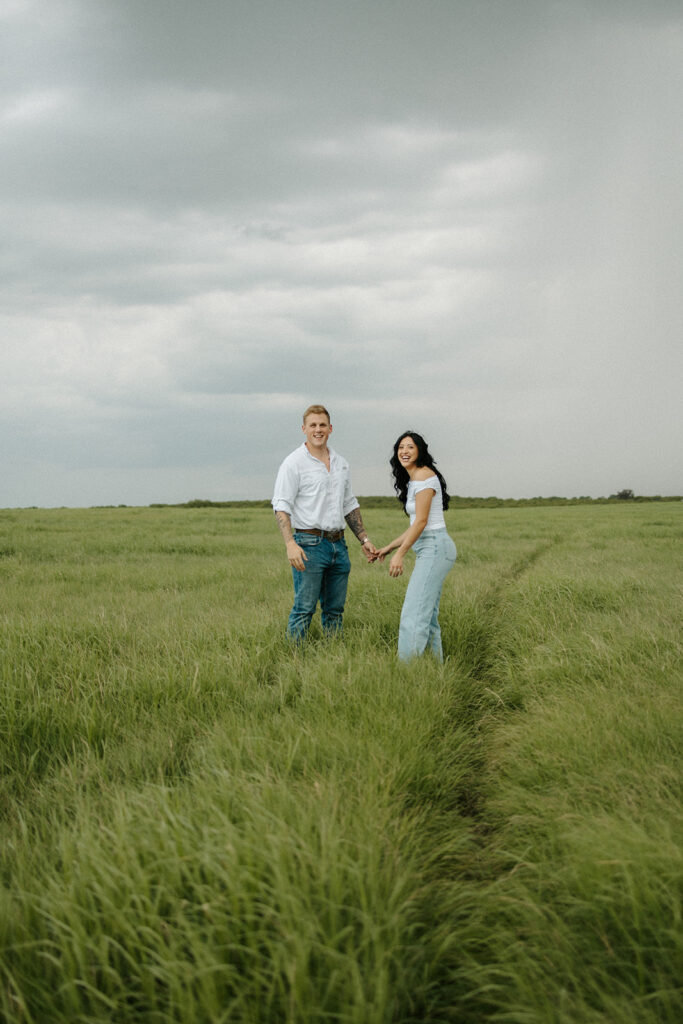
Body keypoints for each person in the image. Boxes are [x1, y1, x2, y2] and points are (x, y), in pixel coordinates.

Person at [272, 404, 378, 640]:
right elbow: (281, 506)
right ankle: (294, 660)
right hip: (308, 544)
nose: (318, 429)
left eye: (322, 425)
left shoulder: (341, 463)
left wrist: (364, 539)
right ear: (304, 429)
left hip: (338, 546)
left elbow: (349, 503)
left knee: (335, 611)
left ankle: (333, 659)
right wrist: (290, 544)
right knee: (304, 608)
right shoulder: (293, 463)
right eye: (313, 425)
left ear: (330, 428)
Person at [376, 431, 456, 661]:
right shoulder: (415, 480)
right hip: (432, 548)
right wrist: (389, 547)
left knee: (413, 615)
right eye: (401, 447)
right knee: (427, 616)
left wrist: (400, 555)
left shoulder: (423, 475)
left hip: (435, 548)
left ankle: (408, 675)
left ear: (420, 450)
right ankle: (432, 670)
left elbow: (421, 522)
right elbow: (416, 524)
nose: (404, 451)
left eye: (410, 447)